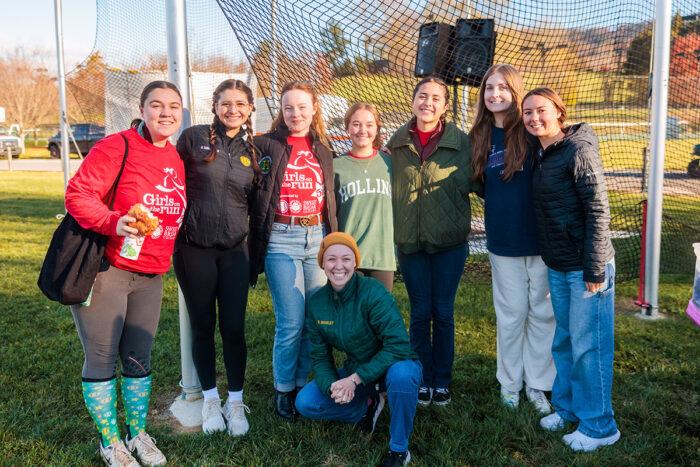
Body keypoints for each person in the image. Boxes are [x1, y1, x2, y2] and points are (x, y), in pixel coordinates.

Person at [65, 81, 185, 466]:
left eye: (173, 106)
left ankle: (136, 434)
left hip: (151, 275)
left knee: (138, 357)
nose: (165, 112)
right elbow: (77, 194)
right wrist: (115, 223)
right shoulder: (118, 146)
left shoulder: (176, 158)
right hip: (108, 270)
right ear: (142, 108)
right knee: (102, 357)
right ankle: (109, 441)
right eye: (156, 105)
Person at [522, 87, 620, 451]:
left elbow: (598, 210)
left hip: (586, 266)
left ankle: (599, 426)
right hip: (559, 264)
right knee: (564, 339)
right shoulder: (543, 153)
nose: (534, 118)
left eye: (541, 110)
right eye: (528, 112)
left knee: (589, 346)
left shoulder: (579, 150)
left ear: (559, 113)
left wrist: (595, 269)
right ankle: (567, 410)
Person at [387, 76, 482, 406]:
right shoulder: (396, 144)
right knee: (418, 312)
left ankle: (441, 379)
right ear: (413, 101)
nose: (428, 102)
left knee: (442, 312)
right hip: (410, 245)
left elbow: (484, 184)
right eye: (422, 96)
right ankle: (421, 377)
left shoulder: (462, 143)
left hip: (449, 246)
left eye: (436, 98)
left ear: (444, 106)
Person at [174, 79, 261, 436]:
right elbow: (167, 176)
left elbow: (259, 206)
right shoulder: (193, 138)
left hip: (235, 252)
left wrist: (256, 256)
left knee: (234, 328)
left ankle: (235, 401)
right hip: (194, 248)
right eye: (226, 103)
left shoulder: (256, 151)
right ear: (214, 105)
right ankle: (210, 399)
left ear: (250, 108)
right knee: (203, 326)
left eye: (240, 104)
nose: (233, 110)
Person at [248, 80, 337, 421]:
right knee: (290, 320)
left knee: (311, 319)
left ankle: (302, 383)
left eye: (302, 107)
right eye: (289, 108)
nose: (296, 113)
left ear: (314, 109)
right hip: (281, 239)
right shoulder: (264, 145)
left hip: (316, 237)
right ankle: (283, 388)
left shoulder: (323, 149)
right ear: (281, 111)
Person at [470, 64, 556, 413]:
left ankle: (538, 384)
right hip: (503, 242)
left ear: (515, 91)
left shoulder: (532, 131)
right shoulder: (478, 135)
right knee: (511, 314)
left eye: (503, 88)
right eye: (489, 88)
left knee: (542, 313)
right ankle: (509, 384)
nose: (495, 94)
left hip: (541, 241)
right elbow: (478, 185)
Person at [295, 232, 421, 467]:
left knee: (403, 375)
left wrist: (354, 380)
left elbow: (398, 345)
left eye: (346, 258)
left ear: (355, 262)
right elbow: (321, 358)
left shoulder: (373, 292)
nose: (338, 266)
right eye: (331, 259)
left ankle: (399, 449)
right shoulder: (317, 303)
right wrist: (333, 387)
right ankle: (368, 406)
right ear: (322, 263)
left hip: (394, 365)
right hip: (359, 374)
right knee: (305, 402)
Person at [334, 102, 395, 291]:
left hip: (382, 257)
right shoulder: (336, 166)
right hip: (348, 258)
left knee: (379, 317)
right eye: (356, 124)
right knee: (351, 317)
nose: (362, 130)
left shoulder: (390, 162)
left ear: (377, 129)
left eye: (369, 125)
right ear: (347, 127)